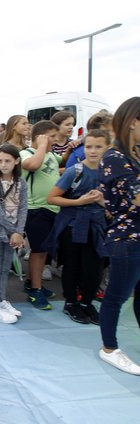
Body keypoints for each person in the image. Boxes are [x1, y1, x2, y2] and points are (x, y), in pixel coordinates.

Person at [46, 129, 108, 325]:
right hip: (72, 225)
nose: (93, 151)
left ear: (107, 148)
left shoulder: (109, 173)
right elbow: (52, 198)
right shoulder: (75, 171)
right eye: (89, 146)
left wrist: (102, 203)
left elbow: (115, 205)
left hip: (97, 226)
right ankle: (71, 302)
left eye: (98, 147)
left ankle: (87, 302)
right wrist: (79, 201)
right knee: (72, 265)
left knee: (95, 267)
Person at [97, 97, 140, 375]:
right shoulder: (115, 157)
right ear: (134, 121)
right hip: (128, 239)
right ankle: (109, 348)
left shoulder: (134, 155)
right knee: (116, 297)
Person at [20, 120, 67, 310]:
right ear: (40, 137)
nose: (55, 141)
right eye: (52, 137)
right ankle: (35, 289)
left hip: (51, 209)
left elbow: (61, 163)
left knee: (44, 250)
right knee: (38, 252)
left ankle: (34, 281)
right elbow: (32, 165)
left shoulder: (49, 154)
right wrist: (40, 145)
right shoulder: (27, 153)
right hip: (36, 209)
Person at [0, 144, 27, 323]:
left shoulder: (21, 182)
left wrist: (19, 231)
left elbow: (23, 207)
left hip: (13, 233)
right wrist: (14, 232)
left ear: (16, 161)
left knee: (4, 269)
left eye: (7, 160)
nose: (3, 164)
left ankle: (0, 300)